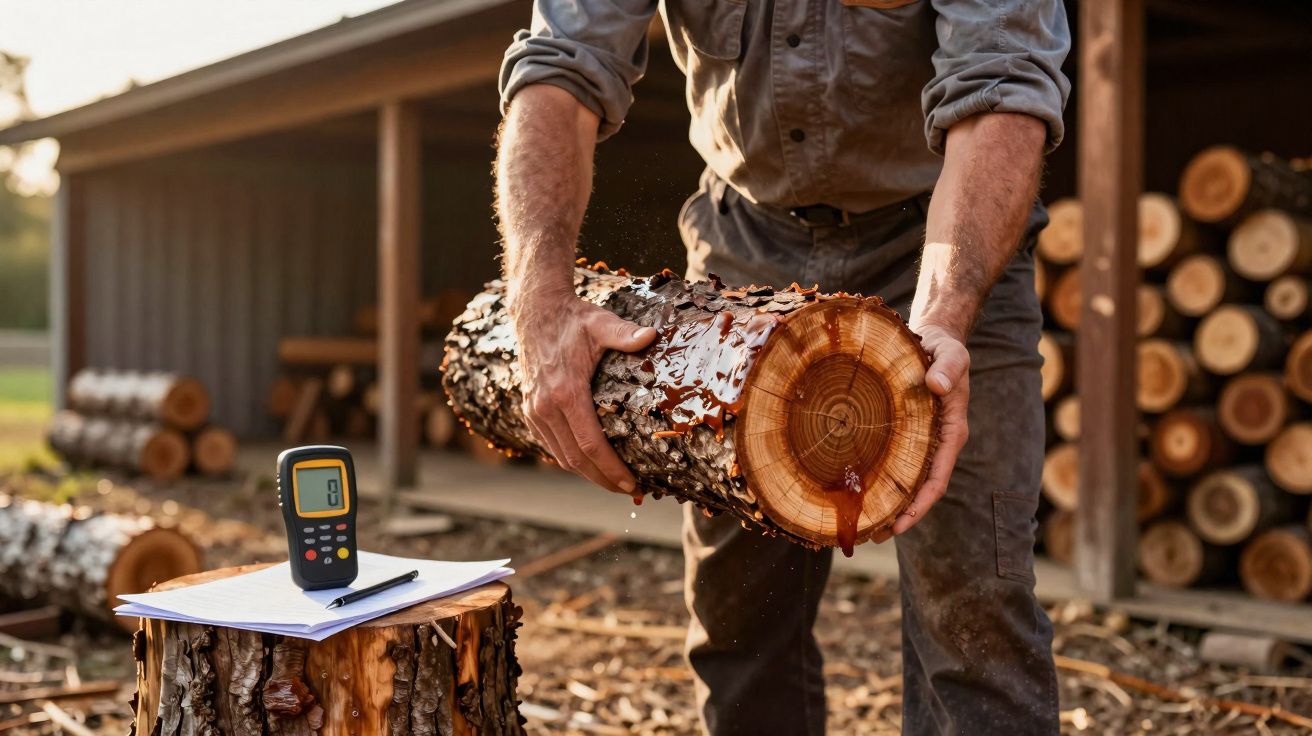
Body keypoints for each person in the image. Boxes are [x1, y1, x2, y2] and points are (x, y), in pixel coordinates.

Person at [494, 1, 1070, 733]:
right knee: (738, 614)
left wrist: (941, 319)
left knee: (975, 611)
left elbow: (1002, 85)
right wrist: (540, 303)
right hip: (745, 245)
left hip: (943, 238)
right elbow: (560, 69)